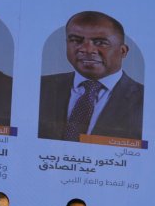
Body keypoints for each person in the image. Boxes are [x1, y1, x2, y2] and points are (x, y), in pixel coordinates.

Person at [38, 11, 143, 141]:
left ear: (123, 51)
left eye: (100, 42)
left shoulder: (145, 101)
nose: (87, 49)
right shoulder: (39, 87)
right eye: (76, 40)